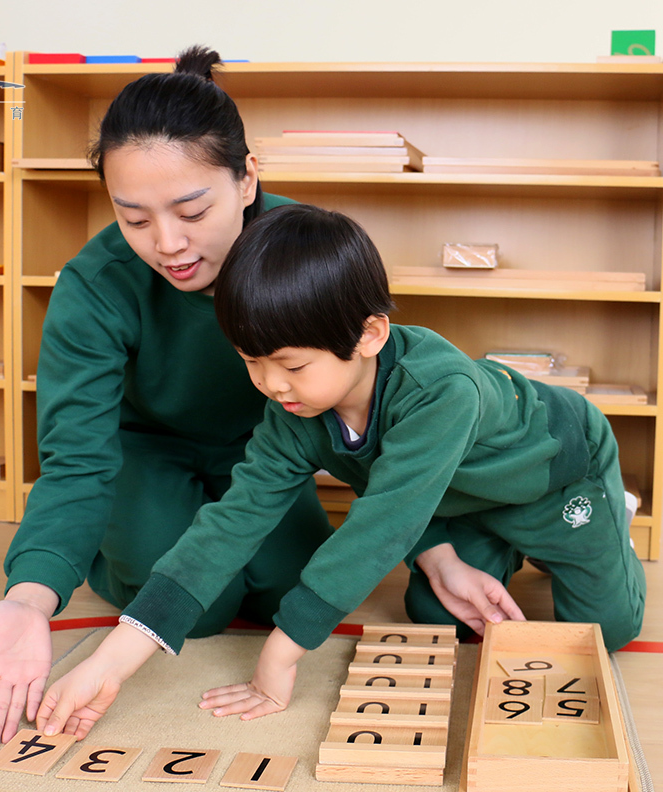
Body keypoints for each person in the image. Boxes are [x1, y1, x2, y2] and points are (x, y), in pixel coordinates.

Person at [32, 203, 646, 739]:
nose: (272, 385)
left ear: (370, 334)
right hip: (448, 498)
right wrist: (110, 661)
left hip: (554, 476)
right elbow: (229, 525)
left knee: (606, 632)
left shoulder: (442, 390)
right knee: (439, 623)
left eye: (291, 365)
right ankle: (490, 547)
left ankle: (604, 521)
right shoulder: (295, 407)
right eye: (252, 361)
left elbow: (379, 526)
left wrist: (282, 652)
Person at [0, 48, 333, 749]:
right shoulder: (95, 285)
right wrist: (30, 599)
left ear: (247, 179)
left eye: (191, 209)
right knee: (197, 612)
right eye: (135, 218)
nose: (168, 244)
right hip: (144, 453)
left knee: (295, 595)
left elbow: (381, 403)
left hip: (271, 456)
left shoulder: (311, 251)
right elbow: (76, 461)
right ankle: (117, 545)